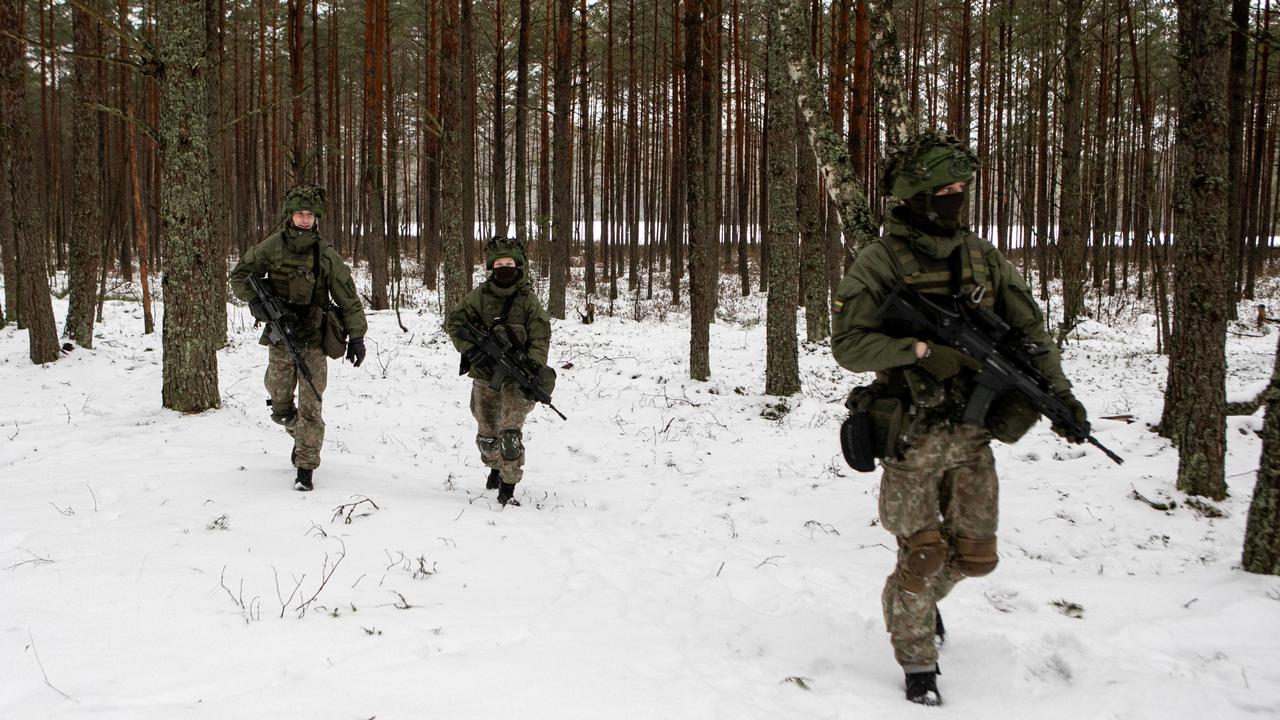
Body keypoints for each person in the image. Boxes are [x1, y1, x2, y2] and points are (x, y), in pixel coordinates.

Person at [829, 131, 1090, 706]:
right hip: (911, 435)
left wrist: (1061, 397)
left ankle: (911, 599)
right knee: (922, 554)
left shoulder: (981, 255)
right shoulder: (880, 260)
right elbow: (847, 344)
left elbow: (1030, 331)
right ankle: (918, 665)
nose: (955, 197)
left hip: (973, 435)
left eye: (961, 188)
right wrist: (920, 352)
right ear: (916, 194)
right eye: (943, 188)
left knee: (976, 558)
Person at [229, 184, 368, 492]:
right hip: (280, 338)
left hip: (314, 340)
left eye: (310, 215)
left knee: (311, 408)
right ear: (290, 216)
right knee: (279, 402)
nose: (304, 220)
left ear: (317, 218)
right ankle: (297, 431)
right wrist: (256, 302)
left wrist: (357, 336)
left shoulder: (325, 254)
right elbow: (239, 276)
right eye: (299, 214)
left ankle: (305, 468)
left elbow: (347, 298)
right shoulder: (273, 246)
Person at [445, 237, 552, 507]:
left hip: (517, 376)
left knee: (510, 433)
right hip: (485, 375)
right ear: (492, 267)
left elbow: (540, 336)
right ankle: (494, 466)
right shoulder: (479, 296)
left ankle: (508, 484)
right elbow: (455, 322)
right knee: (487, 434)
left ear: (519, 266)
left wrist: (532, 363)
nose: (504, 267)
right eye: (499, 263)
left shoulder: (528, 299)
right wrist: (472, 352)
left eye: (510, 263)